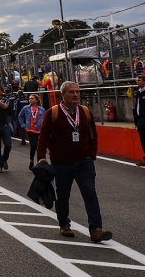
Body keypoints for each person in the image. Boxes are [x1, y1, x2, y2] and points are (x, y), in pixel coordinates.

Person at [36, 81, 112, 243]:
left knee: (90, 193)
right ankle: (64, 223)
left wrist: (91, 154)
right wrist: (41, 156)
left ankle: (96, 229)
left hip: (84, 161)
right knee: (63, 195)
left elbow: (93, 134)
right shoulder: (53, 113)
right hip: (61, 162)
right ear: (62, 95)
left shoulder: (85, 111)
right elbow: (44, 135)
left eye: (77, 92)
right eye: (71, 92)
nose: (75, 95)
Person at [17, 94, 45, 170]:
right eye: (29, 99)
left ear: (36, 100)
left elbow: (45, 118)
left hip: (39, 129)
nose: (30, 100)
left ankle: (39, 162)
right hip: (30, 129)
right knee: (33, 146)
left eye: (32, 99)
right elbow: (20, 116)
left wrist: (43, 123)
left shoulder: (41, 109)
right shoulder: (26, 108)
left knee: (40, 146)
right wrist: (23, 125)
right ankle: (31, 160)